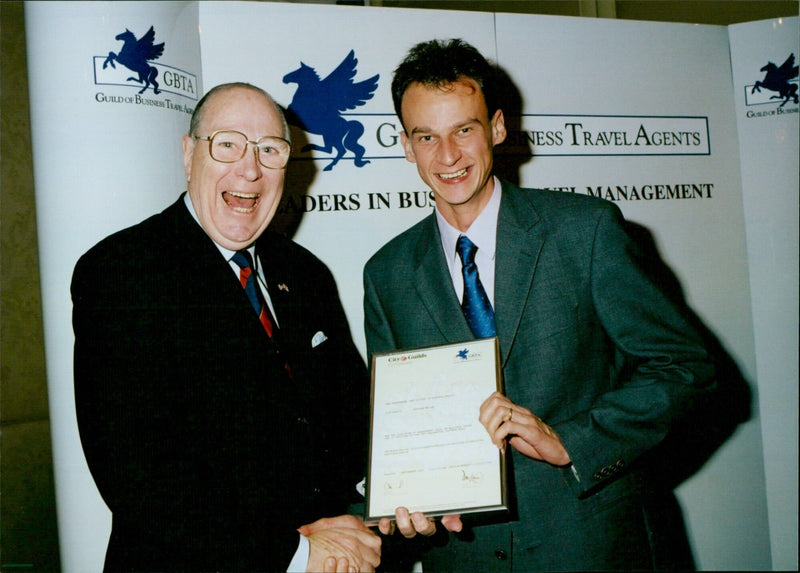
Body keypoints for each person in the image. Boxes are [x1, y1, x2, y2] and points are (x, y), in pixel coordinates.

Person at [363, 39, 715, 571]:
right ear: (406, 146)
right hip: (465, 558)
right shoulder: (385, 273)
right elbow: (396, 433)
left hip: (592, 546)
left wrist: (572, 441)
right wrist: (404, 506)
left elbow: (686, 368)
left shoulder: (585, 231)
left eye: (464, 129)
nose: (448, 156)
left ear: (498, 128)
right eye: (426, 137)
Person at [72, 82, 380, 572]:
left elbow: (350, 418)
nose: (251, 168)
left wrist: (401, 495)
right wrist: (295, 553)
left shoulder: (306, 274)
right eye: (228, 144)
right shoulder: (121, 271)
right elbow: (138, 477)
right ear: (189, 153)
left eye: (270, 150)